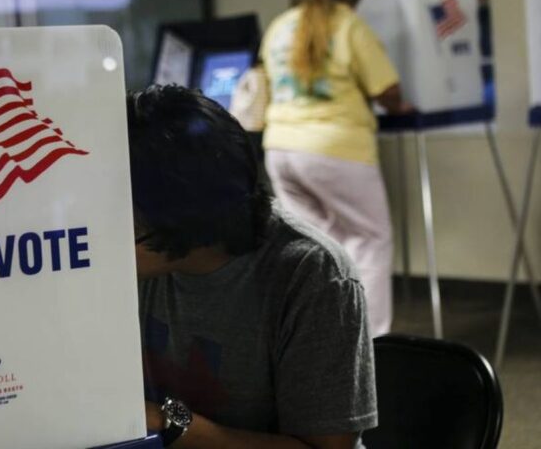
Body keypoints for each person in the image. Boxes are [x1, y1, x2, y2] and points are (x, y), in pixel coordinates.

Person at [129, 85, 376, 449]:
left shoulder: (312, 274)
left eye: (123, 218)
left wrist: (168, 424)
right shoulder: (140, 265)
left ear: (177, 214)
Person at [260, 0, 412, 337]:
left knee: (313, 248)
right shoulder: (349, 24)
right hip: (334, 149)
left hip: (280, 148)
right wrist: (400, 106)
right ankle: (372, 343)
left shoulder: (281, 24)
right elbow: (385, 89)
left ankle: (316, 336)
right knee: (370, 239)